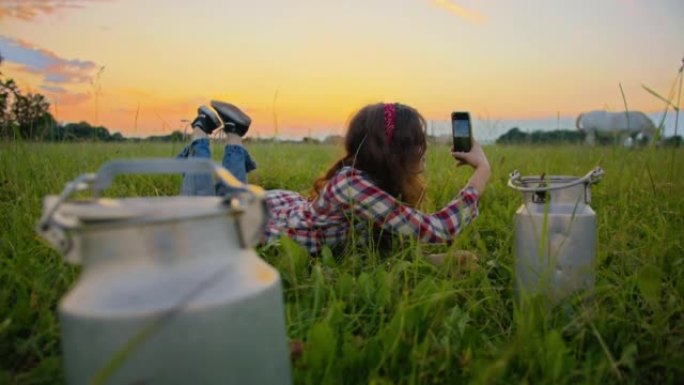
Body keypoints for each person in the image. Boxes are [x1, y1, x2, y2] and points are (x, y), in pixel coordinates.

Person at [177, 100, 491, 254]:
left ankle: (230, 134)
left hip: (285, 209)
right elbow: (438, 230)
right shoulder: (355, 186)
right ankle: (201, 130)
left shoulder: (366, 181)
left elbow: (380, 245)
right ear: (394, 151)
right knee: (199, 212)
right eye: (416, 142)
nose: (425, 148)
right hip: (271, 226)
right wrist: (482, 172)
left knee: (232, 197)